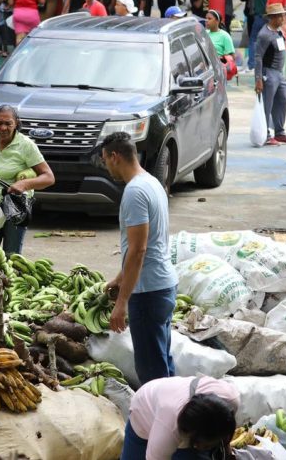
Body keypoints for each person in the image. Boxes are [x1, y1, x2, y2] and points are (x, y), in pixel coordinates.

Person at [99, 132, 177, 386]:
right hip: (163, 285)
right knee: (162, 362)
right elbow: (150, 242)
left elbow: (138, 249)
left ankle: (160, 423)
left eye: (105, 161)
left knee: (152, 374)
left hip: (147, 292)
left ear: (115, 156)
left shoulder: (134, 192)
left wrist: (122, 302)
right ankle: (176, 418)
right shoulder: (152, 182)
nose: (106, 167)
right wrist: (120, 278)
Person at [0, 105, 55, 255]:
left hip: (16, 208)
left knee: (12, 258)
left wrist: (24, 184)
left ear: (16, 123)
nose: (3, 128)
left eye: (8, 123)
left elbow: (49, 177)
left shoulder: (26, 146)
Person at [121, 376, 240, 460]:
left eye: (208, 446)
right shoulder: (167, 431)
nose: (200, 448)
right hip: (144, 412)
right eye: (203, 446)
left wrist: (227, 451)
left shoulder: (230, 400)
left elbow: (224, 429)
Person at [254, 3, 286, 146]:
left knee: (282, 100)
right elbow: (258, 57)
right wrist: (258, 79)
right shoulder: (264, 35)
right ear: (273, 17)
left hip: (279, 72)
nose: (284, 18)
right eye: (281, 16)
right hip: (269, 72)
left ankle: (279, 132)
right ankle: (265, 134)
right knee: (267, 104)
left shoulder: (278, 31)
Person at [230, 0, 272, 66]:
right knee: (267, 40)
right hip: (269, 17)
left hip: (259, 16)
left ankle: (252, 63)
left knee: (253, 39)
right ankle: (266, 62)